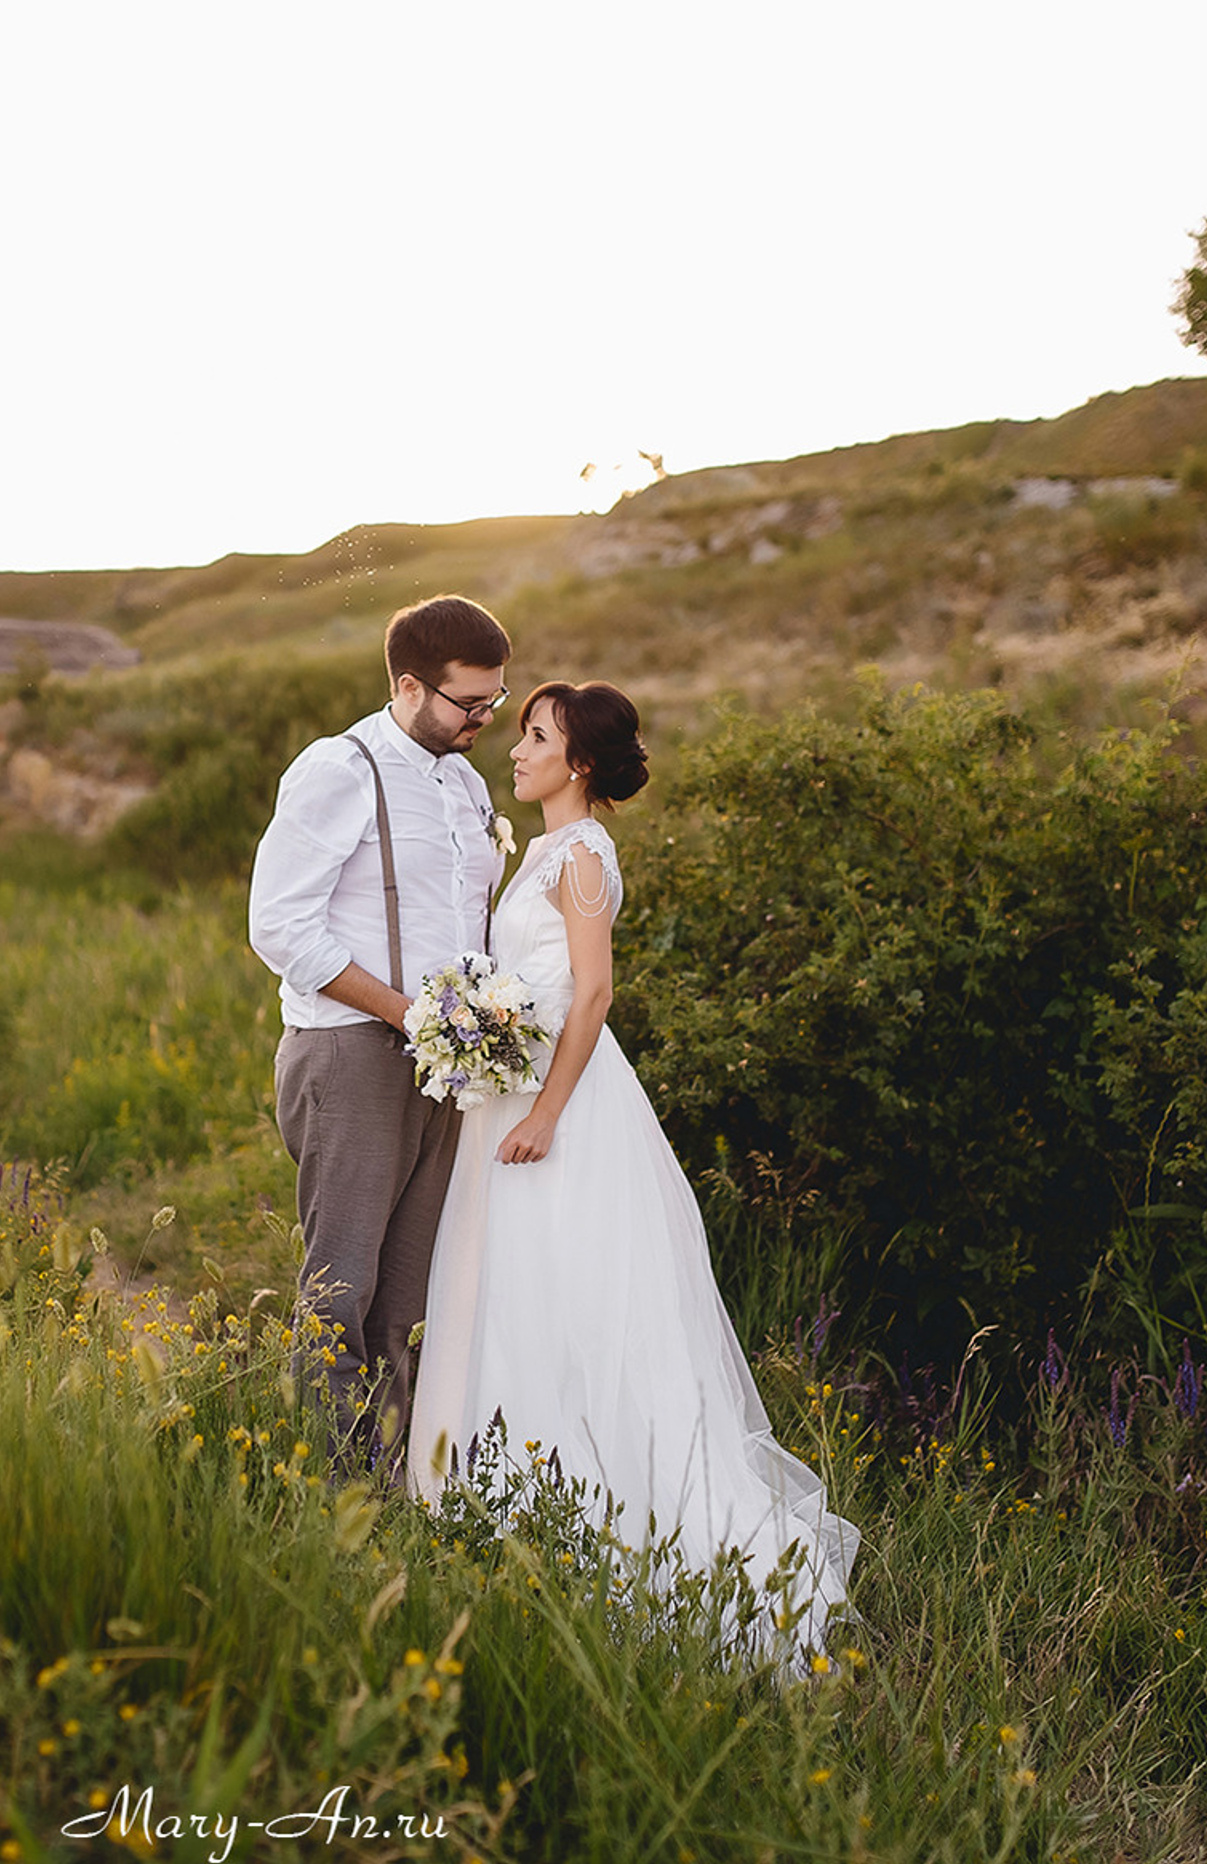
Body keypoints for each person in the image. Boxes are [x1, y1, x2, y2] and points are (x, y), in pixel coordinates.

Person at [407, 680, 857, 1649]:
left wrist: (548, 1116)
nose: (516, 750)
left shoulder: (579, 858)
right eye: (521, 732)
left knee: (563, 1296)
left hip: (558, 1106)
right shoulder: (542, 850)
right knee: (513, 1292)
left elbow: (596, 992)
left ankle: (585, 1512)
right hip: (513, 1096)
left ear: (578, 765)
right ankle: (498, 1499)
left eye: (535, 738)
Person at [249, 595, 512, 1456]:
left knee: (414, 1293)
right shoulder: (339, 768)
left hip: (450, 1066)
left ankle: (395, 1482)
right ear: (408, 686)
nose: (484, 720)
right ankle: (324, 1486)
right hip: (352, 1051)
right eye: (469, 704)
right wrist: (404, 1013)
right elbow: (280, 927)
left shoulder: (466, 782)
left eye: (494, 703)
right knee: (343, 1286)